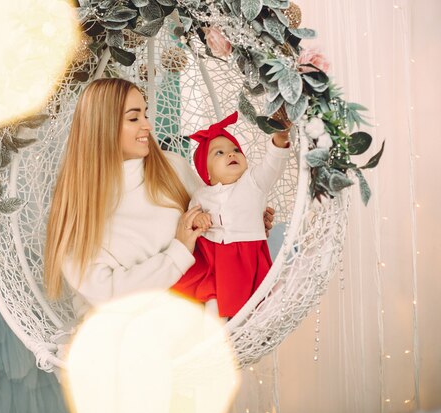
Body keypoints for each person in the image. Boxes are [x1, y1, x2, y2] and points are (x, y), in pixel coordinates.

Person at [43, 78, 275, 313]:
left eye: (145, 114)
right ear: (103, 127)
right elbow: (107, 294)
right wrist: (178, 252)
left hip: (210, 314)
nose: (147, 125)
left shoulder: (172, 166)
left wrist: (245, 223)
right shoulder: (78, 209)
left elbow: (217, 220)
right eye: (134, 118)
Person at [171, 111, 291, 317]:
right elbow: (191, 219)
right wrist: (198, 219)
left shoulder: (253, 182)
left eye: (236, 149)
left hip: (246, 254)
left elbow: (272, 166)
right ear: (206, 173)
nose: (231, 154)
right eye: (219, 153)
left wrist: (279, 139)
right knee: (212, 294)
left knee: (249, 298)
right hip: (213, 256)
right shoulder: (202, 194)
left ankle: (238, 325)